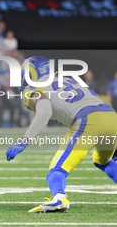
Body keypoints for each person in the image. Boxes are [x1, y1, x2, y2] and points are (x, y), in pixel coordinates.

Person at [6, 56, 117, 213]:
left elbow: (45, 111)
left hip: (88, 120)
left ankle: (59, 197)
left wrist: (25, 140)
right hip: (111, 116)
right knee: (102, 161)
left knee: (56, 170)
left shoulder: (34, 88)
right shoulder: (70, 80)